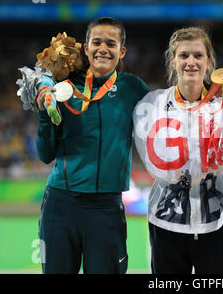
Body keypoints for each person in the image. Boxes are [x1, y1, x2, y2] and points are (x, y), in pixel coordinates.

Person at [132, 27, 223, 274]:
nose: (191, 62)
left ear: (209, 61)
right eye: (184, 56)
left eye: (198, 56)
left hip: (216, 219)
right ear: (173, 60)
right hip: (166, 219)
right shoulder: (152, 104)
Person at [36, 17, 150, 273]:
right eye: (96, 42)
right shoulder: (65, 88)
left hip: (106, 207)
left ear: (121, 51)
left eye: (111, 43)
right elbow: (45, 154)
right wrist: (45, 112)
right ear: (85, 48)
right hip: (61, 203)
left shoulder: (133, 88)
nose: (103, 49)